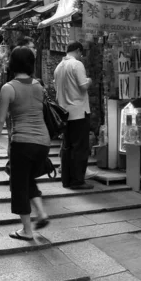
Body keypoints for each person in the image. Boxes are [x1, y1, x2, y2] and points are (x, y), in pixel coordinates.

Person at [0, 47, 50, 241]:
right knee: (28, 178)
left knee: (19, 185)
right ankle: (42, 213)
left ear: (12, 63)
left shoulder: (8, 88)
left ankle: (27, 231)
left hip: (22, 142)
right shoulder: (39, 86)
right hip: (43, 143)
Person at [54, 41, 94, 190]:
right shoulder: (76, 64)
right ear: (78, 51)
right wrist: (89, 80)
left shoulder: (59, 67)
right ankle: (78, 180)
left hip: (64, 112)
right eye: (81, 54)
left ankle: (66, 179)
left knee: (67, 146)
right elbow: (83, 86)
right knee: (79, 147)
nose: (81, 56)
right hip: (79, 111)